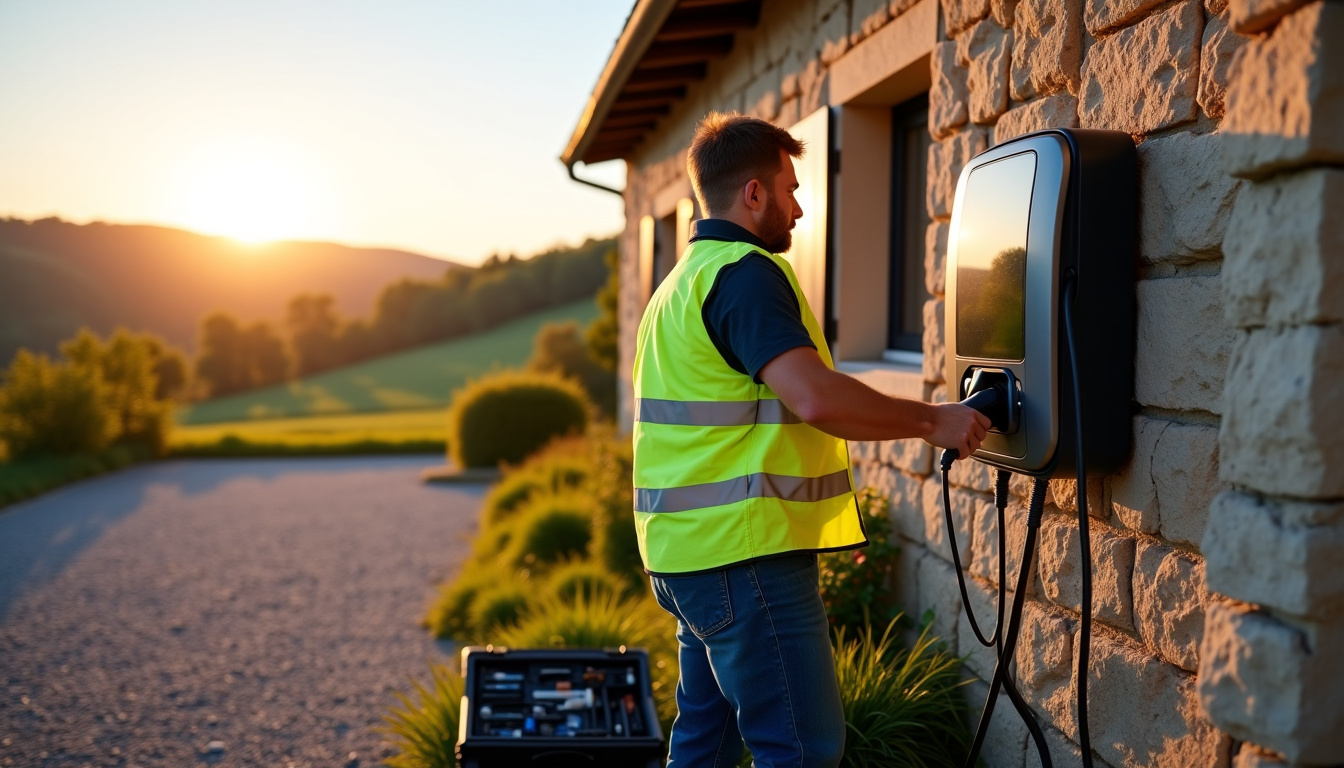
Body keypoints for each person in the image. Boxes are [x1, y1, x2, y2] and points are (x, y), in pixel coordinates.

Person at [632, 112, 990, 768]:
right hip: (745, 558)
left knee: (703, 748)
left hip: (687, 556)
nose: (800, 208)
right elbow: (815, 395)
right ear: (754, 194)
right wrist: (932, 420)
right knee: (802, 751)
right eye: (791, 189)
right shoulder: (744, 275)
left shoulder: (680, 284)